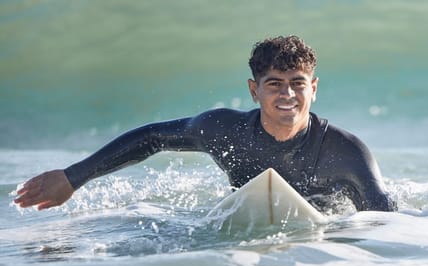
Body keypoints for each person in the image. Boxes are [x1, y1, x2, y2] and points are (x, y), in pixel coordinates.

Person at [13, 35, 397, 212]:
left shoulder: (344, 152)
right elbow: (154, 137)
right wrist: (72, 177)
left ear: (313, 88)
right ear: (253, 90)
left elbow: (385, 224)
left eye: (298, 84)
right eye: (274, 84)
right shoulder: (225, 130)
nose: (287, 95)